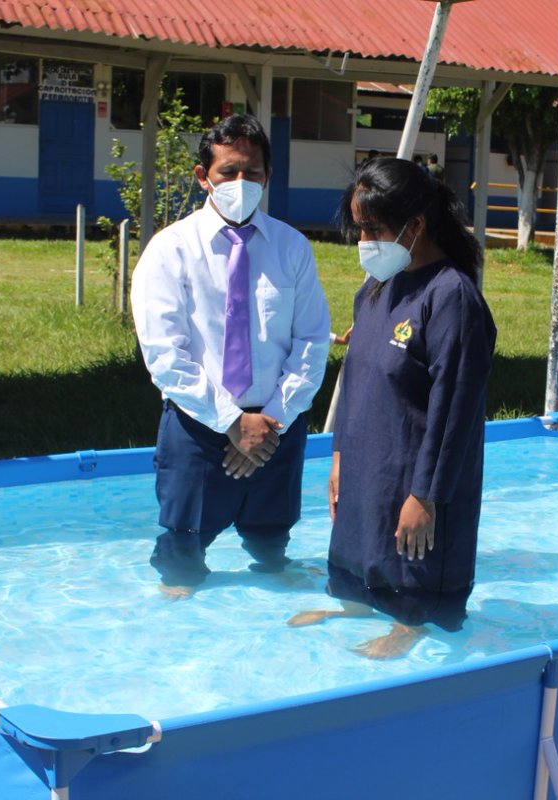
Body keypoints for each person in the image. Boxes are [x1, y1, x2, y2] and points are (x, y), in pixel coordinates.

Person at [289, 157, 496, 659]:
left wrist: (424, 496)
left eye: (373, 228)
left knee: (413, 559)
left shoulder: (451, 298)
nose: (364, 241)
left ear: (416, 225)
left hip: (416, 476)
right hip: (368, 462)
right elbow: (357, 378)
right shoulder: (374, 290)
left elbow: (455, 411)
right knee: (362, 548)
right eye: (358, 229)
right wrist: (339, 457)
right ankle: (357, 605)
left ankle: (412, 625)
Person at [131, 114, 331, 599]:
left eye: (253, 173)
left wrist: (270, 421)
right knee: (182, 560)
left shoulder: (291, 248)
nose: (241, 183)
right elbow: (164, 353)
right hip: (199, 426)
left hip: (277, 428)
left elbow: (312, 339)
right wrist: (231, 422)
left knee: (272, 551)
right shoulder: (170, 250)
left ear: (268, 176)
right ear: (204, 176)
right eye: (229, 171)